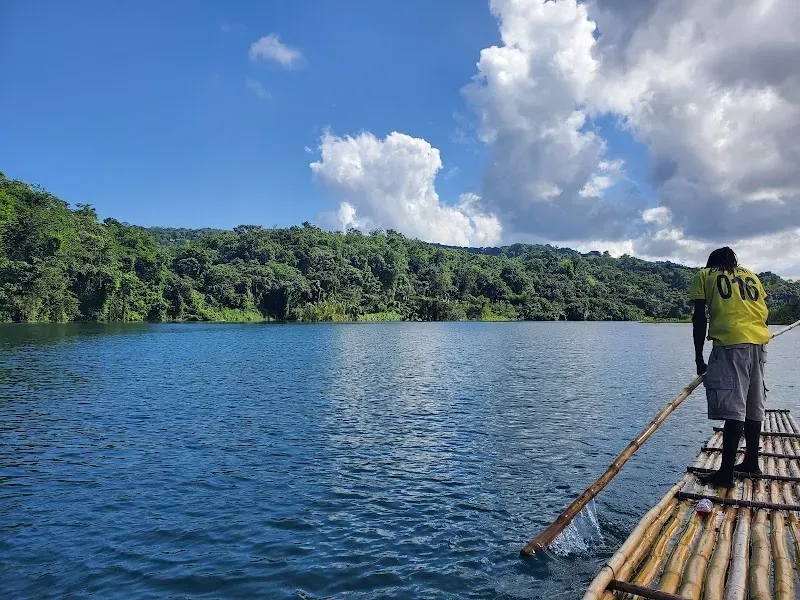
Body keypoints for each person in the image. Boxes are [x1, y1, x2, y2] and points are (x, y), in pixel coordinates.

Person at [691, 247, 770, 488]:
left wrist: (698, 358)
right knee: (752, 405)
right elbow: (761, 311)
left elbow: (699, 318)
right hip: (759, 341)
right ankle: (751, 463)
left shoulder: (705, 275)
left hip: (730, 344)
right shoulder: (751, 276)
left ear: (711, 262)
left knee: (734, 409)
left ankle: (725, 475)